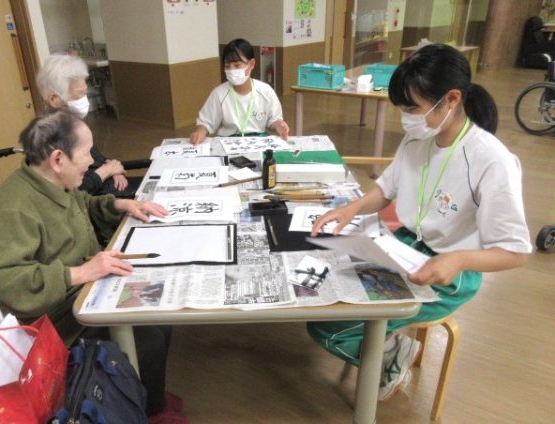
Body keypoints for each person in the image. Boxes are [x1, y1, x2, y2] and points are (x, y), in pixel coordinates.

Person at [308, 44, 532, 401]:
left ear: (451, 99)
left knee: (331, 329)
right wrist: (352, 208)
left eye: (412, 108)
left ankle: (391, 354)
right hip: (405, 248)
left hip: (451, 273)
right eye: (402, 108)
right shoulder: (419, 138)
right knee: (324, 301)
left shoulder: (491, 160)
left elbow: (515, 252)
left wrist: (457, 259)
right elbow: (386, 190)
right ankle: (389, 346)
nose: (405, 118)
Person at [0, 109, 187, 423]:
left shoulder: (52, 181)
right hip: (58, 320)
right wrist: (80, 273)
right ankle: (149, 410)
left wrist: (120, 203)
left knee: (159, 313)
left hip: (87, 290)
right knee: (147, 340)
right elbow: (4, 280)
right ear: (58, 158)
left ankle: (147, 393)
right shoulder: (15, 208)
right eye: (87, 153)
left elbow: (83, 203)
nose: (92, 162)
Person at [36, 54, 134, 197]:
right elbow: (71, 193)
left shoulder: (71, 123)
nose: (85, 100)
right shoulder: (48, 138)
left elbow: (94, 157)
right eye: (79, 95)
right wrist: (106, 171)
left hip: (110, 187)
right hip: (94, 201)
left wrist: (111, 166)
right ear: (54, 99)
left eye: (85, 93)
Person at [189, 38, 290, 144]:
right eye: (227, 66)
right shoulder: (219, 93)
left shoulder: (266, 91)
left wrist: (279, 124)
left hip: (257, 143)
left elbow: (273, 120)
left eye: (237, 65)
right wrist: (200, 131)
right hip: (228, 142)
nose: (232, 70)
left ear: (251, 64)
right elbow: (206, 122)